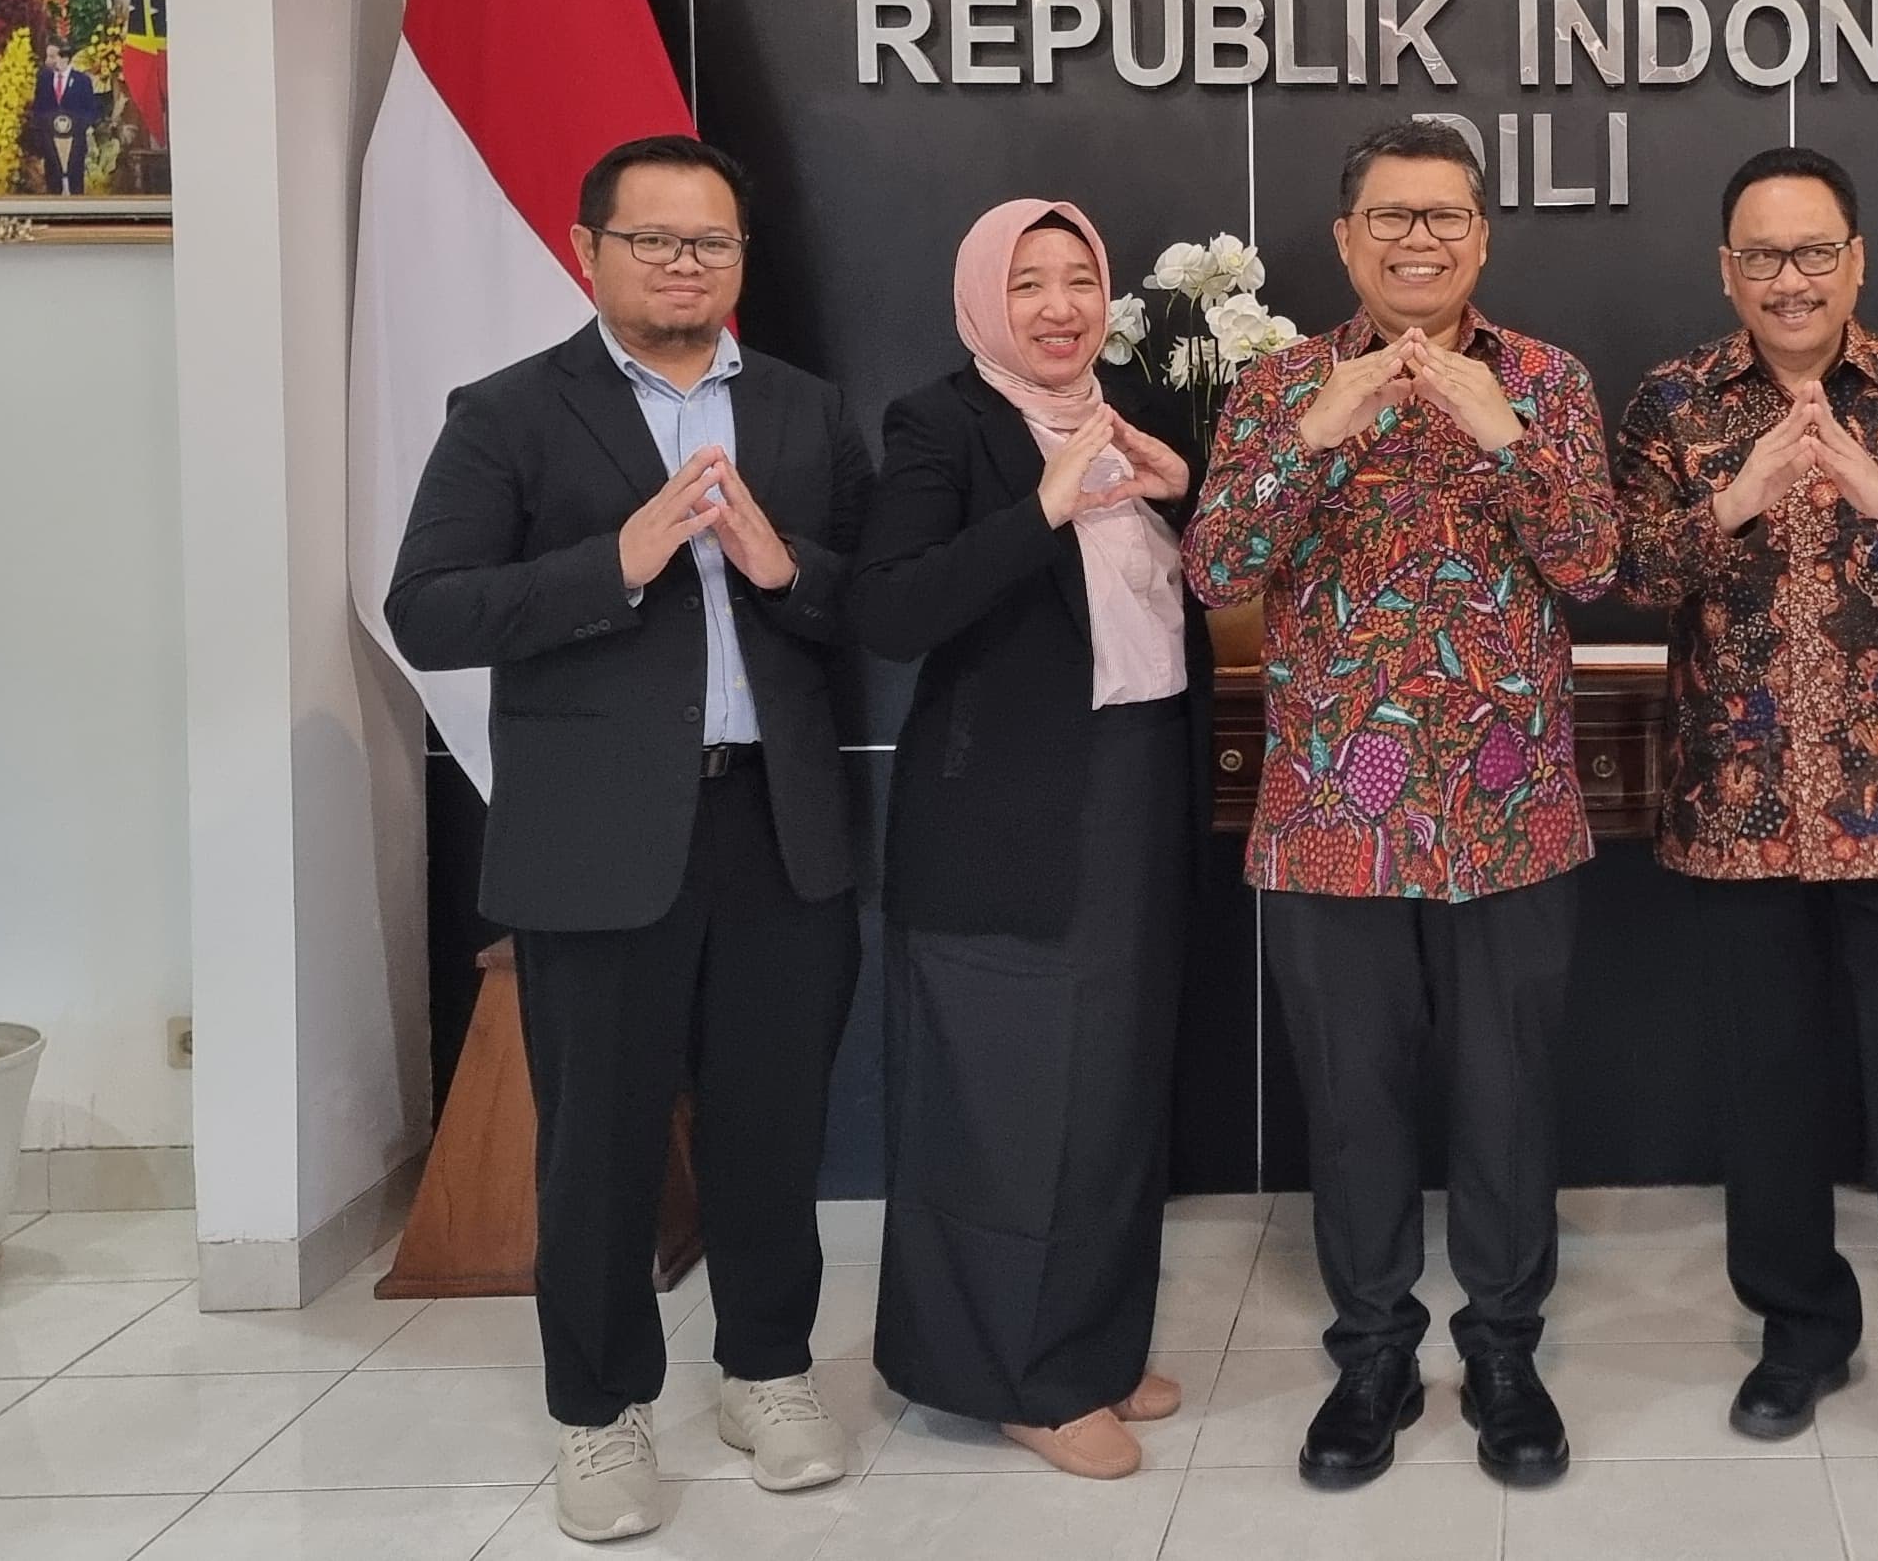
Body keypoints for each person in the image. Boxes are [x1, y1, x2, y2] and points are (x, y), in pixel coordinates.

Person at [385, 136, 870, 1544]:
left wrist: (788, 572)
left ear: (739, 260)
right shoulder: (511, 415)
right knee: (594, 1148)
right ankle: (598, 1416)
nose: (684, 264)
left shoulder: (800, 410)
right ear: (587, 248)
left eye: (710, 242)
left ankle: (768, 1374)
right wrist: (618, 562)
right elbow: (432, 611)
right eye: (654, 240)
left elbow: (862, 606)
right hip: (599, 841)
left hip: (775, 826)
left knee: (774, 1131)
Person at [1182, 117, 1621, 1494]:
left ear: (1481, 236)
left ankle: (1502, 1347)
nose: (1418, 239)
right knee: (1355, 1106)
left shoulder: (1546, 380)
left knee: (1508, 1099)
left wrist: (1502, 440)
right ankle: (1370, 1349)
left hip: (1512, 816)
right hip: (1333, 814)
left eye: (1444, 217)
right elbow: (1215, 566)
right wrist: (1320, 431)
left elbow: (1597, 560)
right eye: (1391, 217)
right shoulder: (1276, 387)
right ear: (1345, 238)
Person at [1611, 147, 1878, 1486]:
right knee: (1769, 1099)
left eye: (1812, 254)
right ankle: (1797, 1335)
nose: (1788, 280)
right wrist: (1732, 501)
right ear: (1724, 270)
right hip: (1734, 816)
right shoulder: (1677, 398)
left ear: (1857, 261)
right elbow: (1619, 564)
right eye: (1761, 257)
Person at [853, 200, 1210, 1481]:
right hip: (1003, 814)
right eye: (1030, 281)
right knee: (1008, 1101)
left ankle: (1091, 1347)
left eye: (1079, 279)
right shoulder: (939, 423)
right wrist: (1044, 506)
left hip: (1133, 789)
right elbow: (892, 608)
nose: (1060, 306)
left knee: (1113, 1083)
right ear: (981, 299)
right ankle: (1015, 1374)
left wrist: (1182, 495)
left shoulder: (1138, 421)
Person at [23, 46, 103, 194]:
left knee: (75, 186)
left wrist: (79, 126)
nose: (48, 61)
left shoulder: (82, 81)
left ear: (65, 58)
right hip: (50, 145)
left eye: (52, 57)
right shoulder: (43, 79)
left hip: (75, 144)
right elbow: (38, 109)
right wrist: (43, 128)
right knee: (53, 186)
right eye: (47, 57)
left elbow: (91, 110)